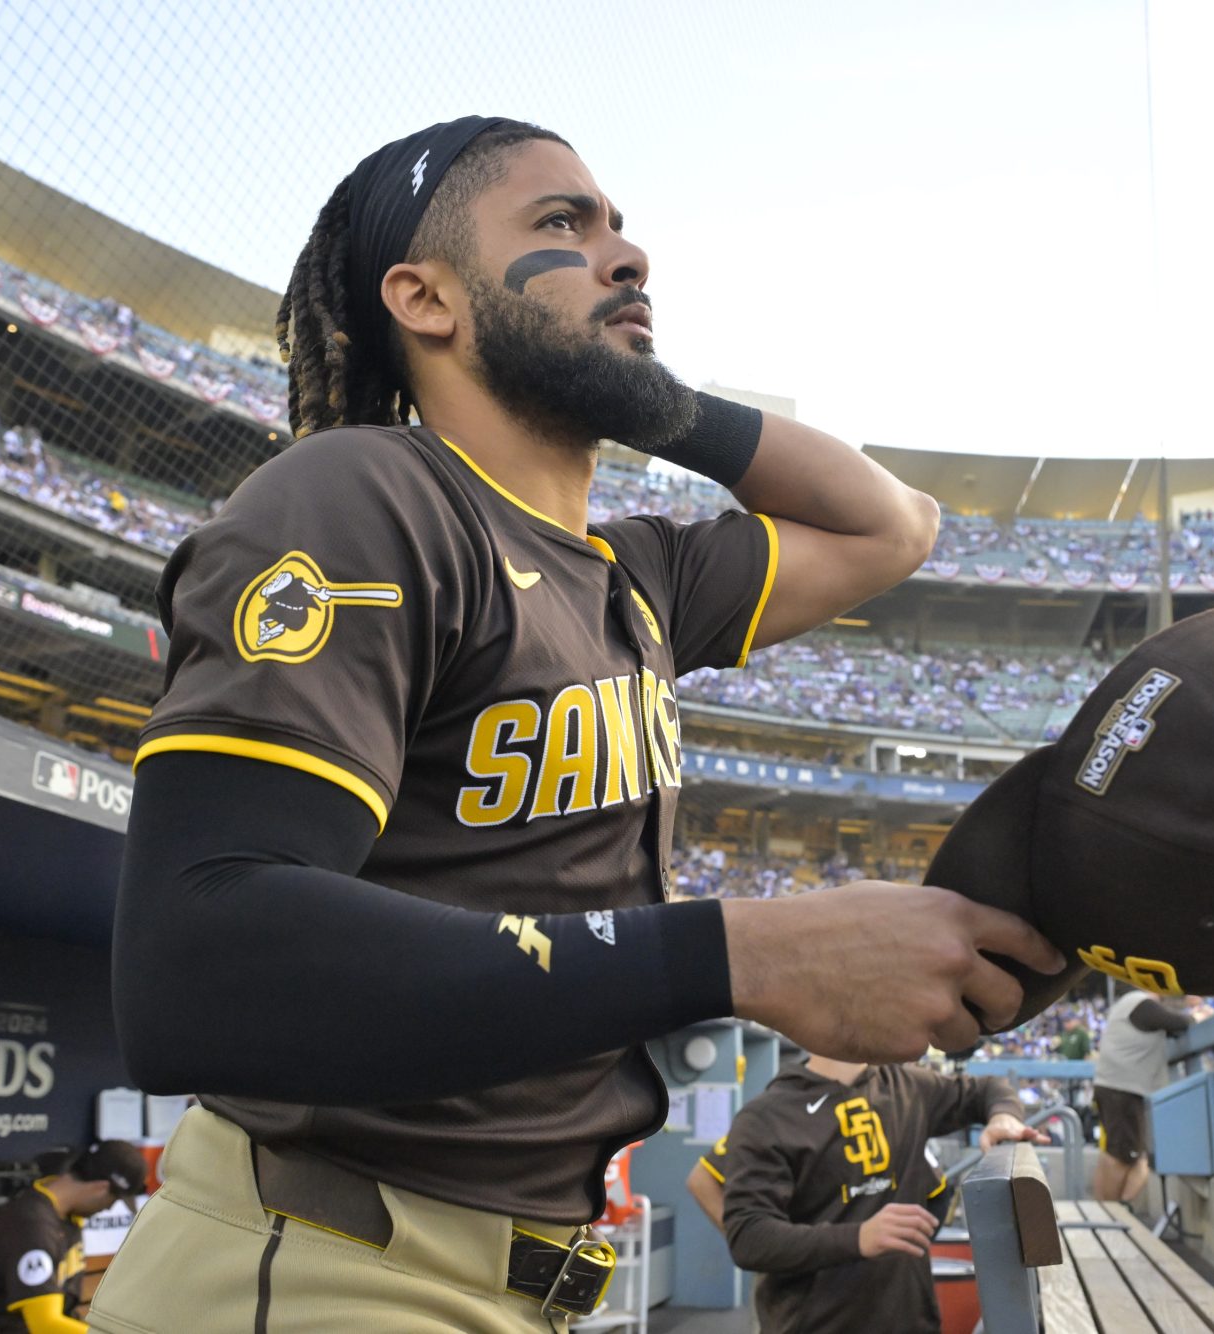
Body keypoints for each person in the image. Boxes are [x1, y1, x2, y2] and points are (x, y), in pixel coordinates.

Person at [91, 117, 1063, 1334]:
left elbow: (893, 525)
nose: (627, 253)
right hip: (327, 1263)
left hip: (511, 1278)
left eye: (616, 224)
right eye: (562, 224)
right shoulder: (361, 493)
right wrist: (739, 951)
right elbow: (197, 959)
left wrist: (648, 397)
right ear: (424, 297)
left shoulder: (631, 571)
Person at [682, 1052, 1042, 1334]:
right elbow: (741, 1226)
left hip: (910, 1318)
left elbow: (988, 1090)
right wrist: (843, 1239)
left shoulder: (907, 1086)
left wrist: (1003, 1117)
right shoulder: (770, 1114)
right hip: (815, 1323)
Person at [0, 1141, 147, 1334]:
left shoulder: (67, 1213)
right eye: (113, 1200)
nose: (108, 1208)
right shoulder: (32, 1226)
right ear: (100, 1188)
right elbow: (45, 1324)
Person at [1090, 990, 1211, 1203]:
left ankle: (1109, 1210)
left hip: (1113, 1086)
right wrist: (1199, 1016)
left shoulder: (1129, 1003)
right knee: (1123, 1157)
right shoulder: (1140, 1002)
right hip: (1122, 1088)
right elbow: (1178, 1023)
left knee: (1118, 1153)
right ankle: (1110, 1212)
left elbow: (1167, 1027)